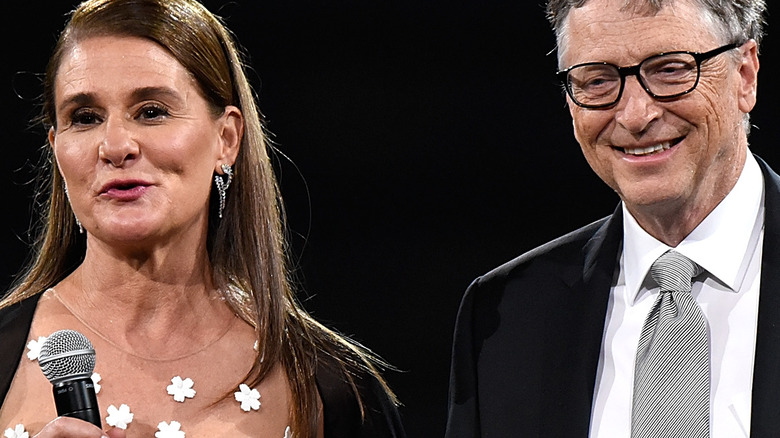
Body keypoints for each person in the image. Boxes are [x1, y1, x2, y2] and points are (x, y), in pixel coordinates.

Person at [0, 0, 406, 437]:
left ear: (225, 139)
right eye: (85, 118)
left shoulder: (334, 389)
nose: (115, 145)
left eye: (152, 111)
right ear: (57, 149)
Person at [445, 0, 778, 436]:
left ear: (745, 76)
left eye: (671, 70)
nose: (636, 115)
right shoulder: (504, 315)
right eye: (598, 81)